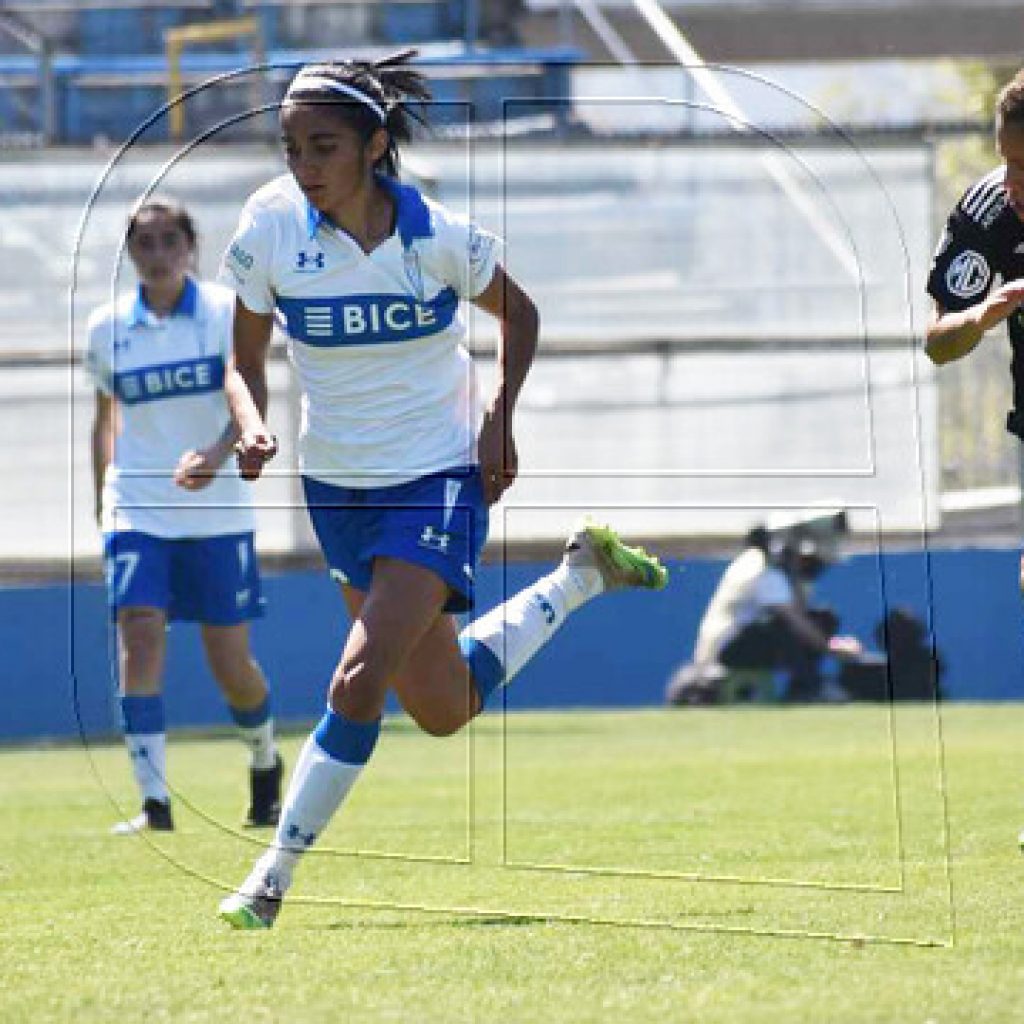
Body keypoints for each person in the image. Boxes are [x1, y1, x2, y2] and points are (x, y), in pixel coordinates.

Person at [214, 51, 668, 929]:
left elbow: (521, 315)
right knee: (442, 706)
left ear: (374, 146)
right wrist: (249, 419)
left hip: (438, 475)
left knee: (358, 679)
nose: (304, 166)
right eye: (291, 148)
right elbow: (243, 358)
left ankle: (270, 880)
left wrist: (498, 419)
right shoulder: (269, 226)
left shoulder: (435, 235)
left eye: (324, 146)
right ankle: (580, 577)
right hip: (338, 485)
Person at [86, 196, 282, 834]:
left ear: (190, 247)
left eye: (170, 240)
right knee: (139, 636)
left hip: (218, 511)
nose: (158, 253)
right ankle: (154, 803)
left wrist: (220, 452)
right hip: (137, 508)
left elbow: (252, 392)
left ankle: (264, 761)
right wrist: (101, 505)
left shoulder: (226, 313)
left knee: (230, 662)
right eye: (144, 242)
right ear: (130, 253)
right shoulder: (105, 328)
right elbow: (104, 419)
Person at [924, 68, 1024, 850]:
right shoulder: (988, 212)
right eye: (1009, 163)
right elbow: (937, 343)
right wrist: (981, 316)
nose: (1015, 183)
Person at [665, 513, 862, 706]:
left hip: (734, 645)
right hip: (726, 652)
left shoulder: (756, 563)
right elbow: (793, 619)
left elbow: (802, 613)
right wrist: (830, 648)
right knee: (783, 627)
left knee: (821, 618)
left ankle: (805, 685)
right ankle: (809, 687)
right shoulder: (766, 571)